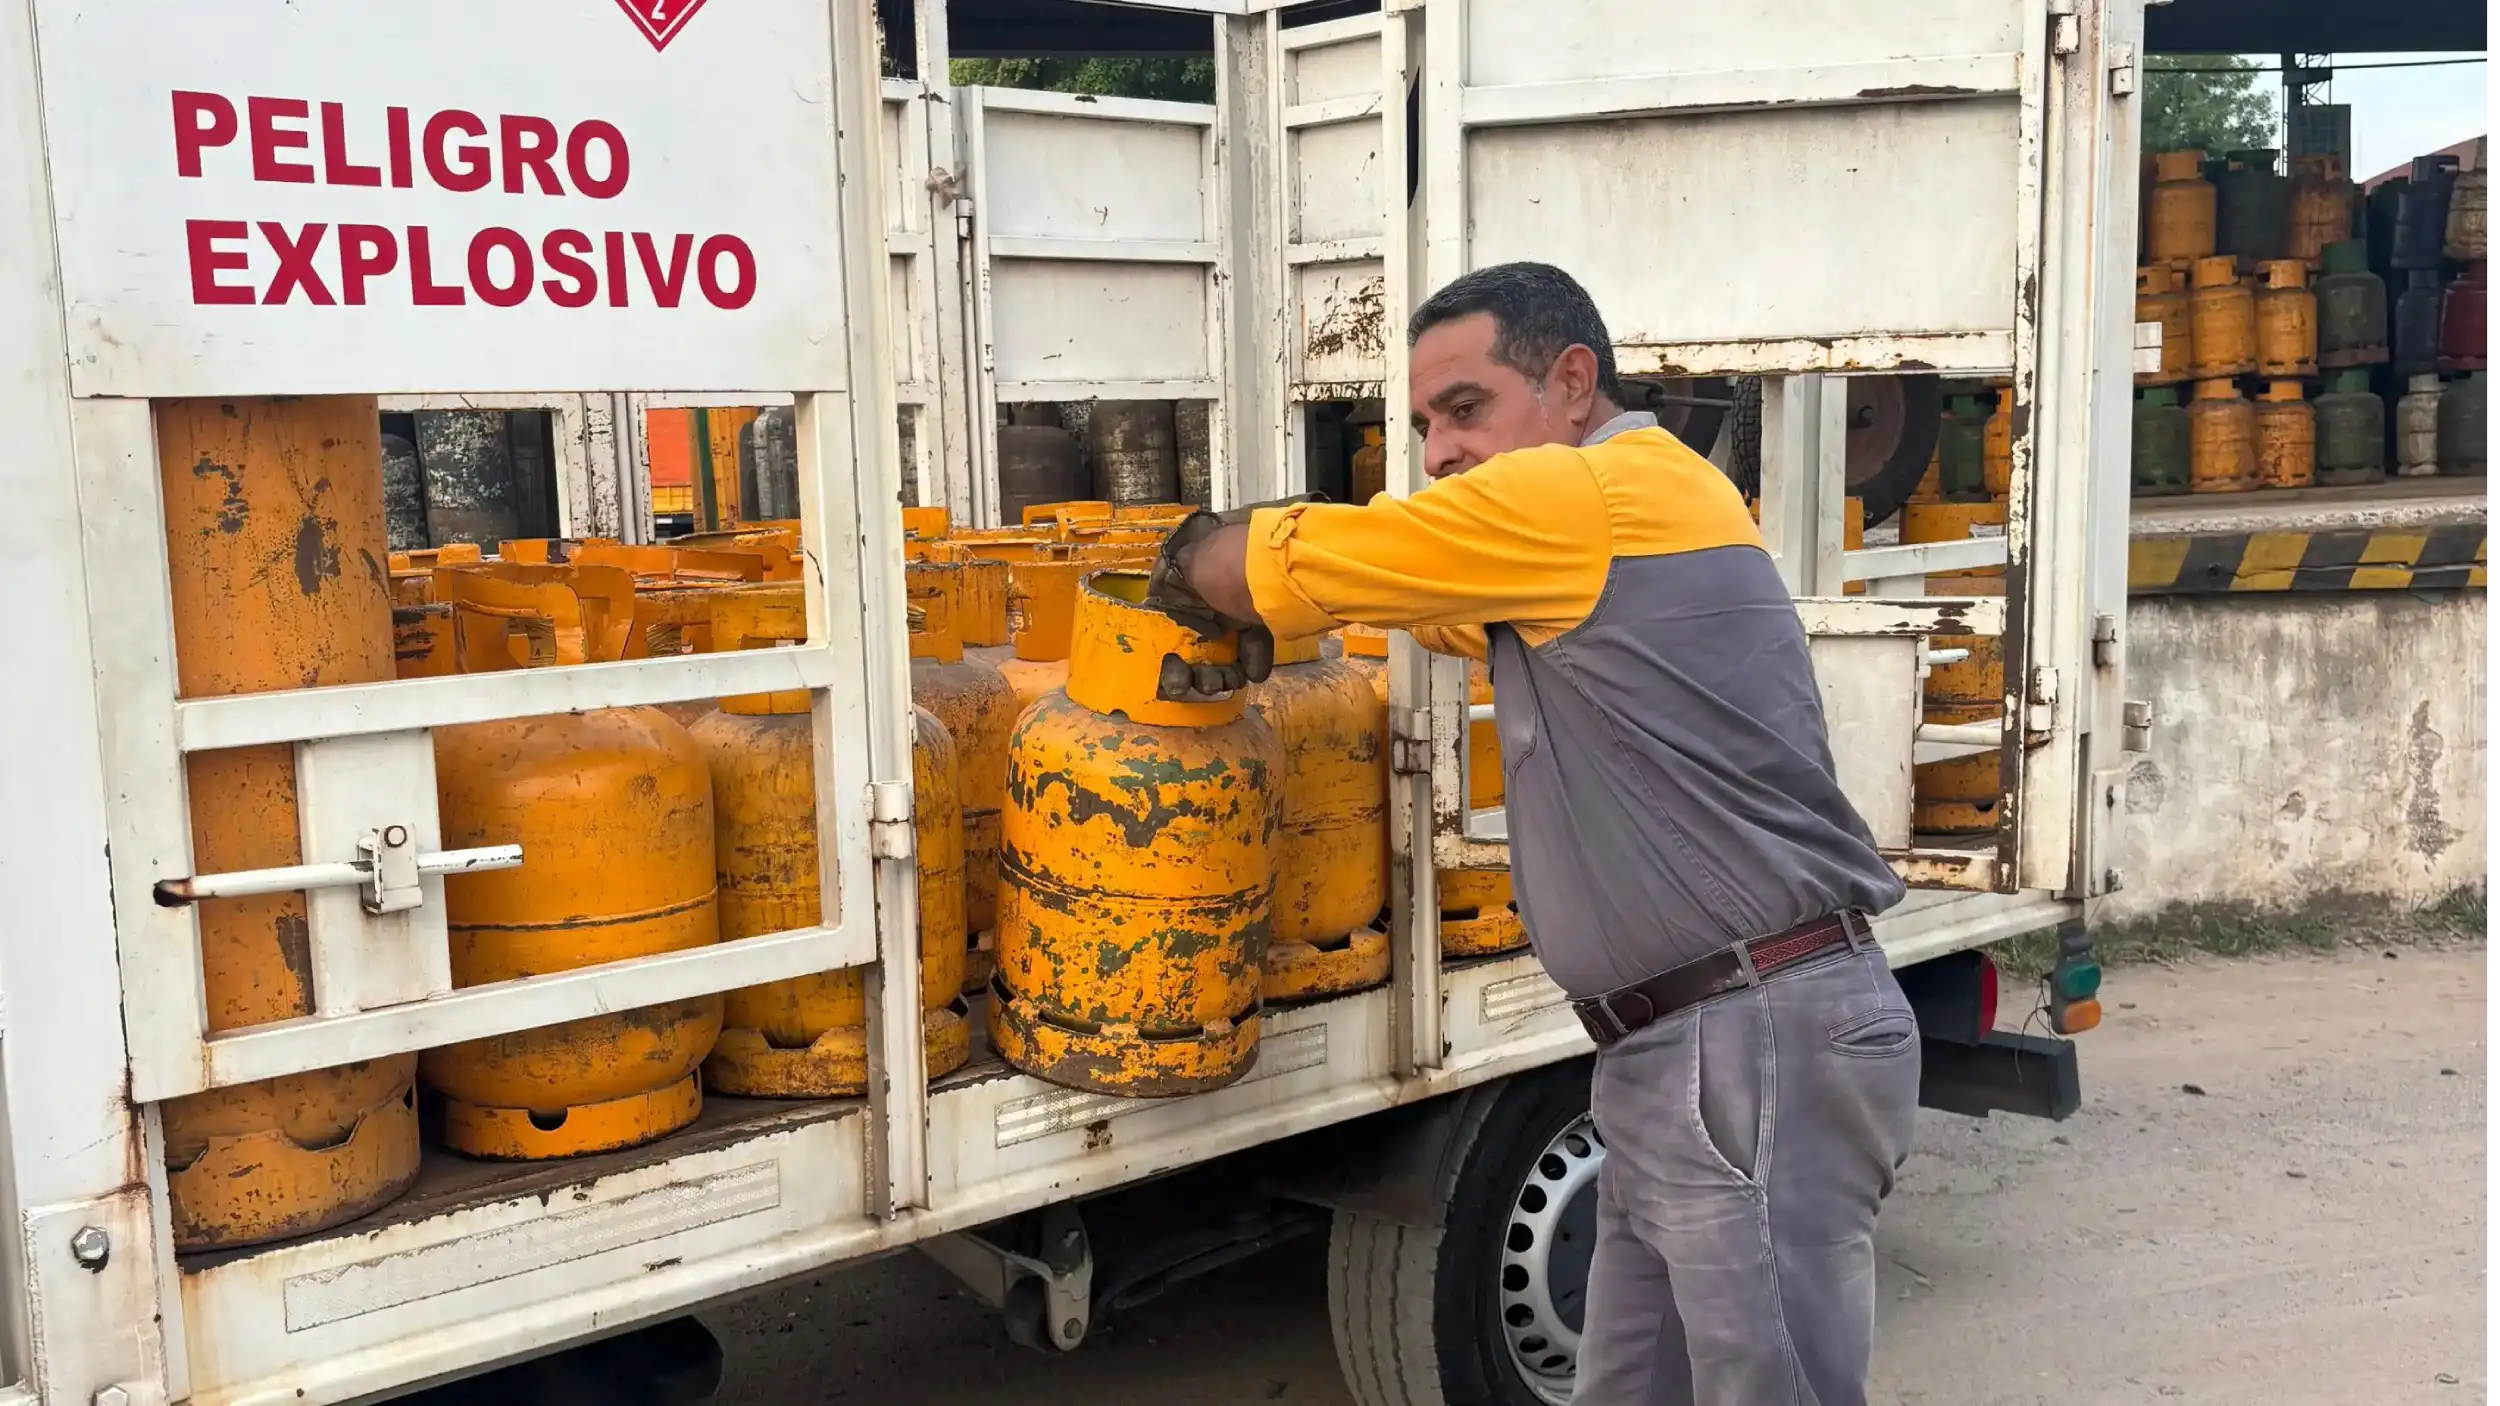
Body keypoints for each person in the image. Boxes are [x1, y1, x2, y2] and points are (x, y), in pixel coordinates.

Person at [1145, 262, 1922, 1405]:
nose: (1440, 448)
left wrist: (1196, 562)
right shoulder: (1615, 519)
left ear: (1570, 382)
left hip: (1749, 1036)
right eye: (1421, 425)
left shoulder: (1585, 496)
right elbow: (1417, 600)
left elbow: (1321, 557)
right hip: (1683, 1046)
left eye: (1465, 409)